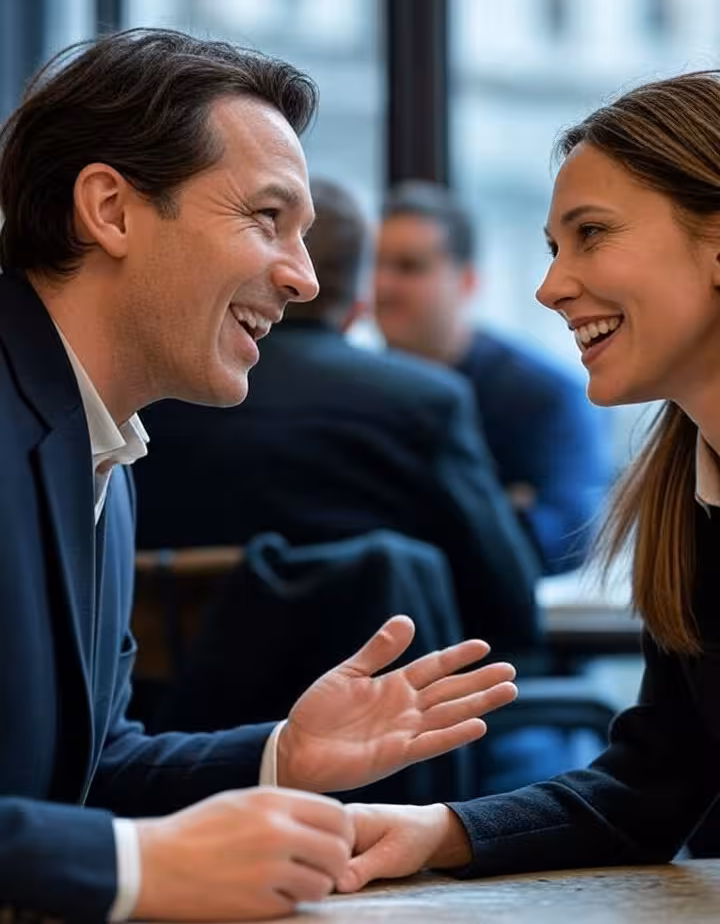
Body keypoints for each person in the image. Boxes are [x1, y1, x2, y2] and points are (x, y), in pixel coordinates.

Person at [0, 29, 519, 922]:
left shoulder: (105, 456)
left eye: (308, 235)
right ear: (112, 210)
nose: (308, 280)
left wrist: (284, 756)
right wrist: (132, 866)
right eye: (266, 219)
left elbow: (90, 771)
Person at [331, 68, 720, 894]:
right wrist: (435, 830)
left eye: (591, 234)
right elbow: (654, 786)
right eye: (552, 247)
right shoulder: (688, 494)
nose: (549, 288)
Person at [134, 177, 540, 654]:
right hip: (381, 714)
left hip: (164, 717)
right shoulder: (424, 404)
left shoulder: (148, 399)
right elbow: (512, 607)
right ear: (357, 303)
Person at [374, 181, 613, 573]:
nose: (382, 285)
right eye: (374, 265)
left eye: (408, 267)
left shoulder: (547, 395)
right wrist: (498, 508)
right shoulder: (357, 395)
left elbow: (569, 540)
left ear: (466, 281)